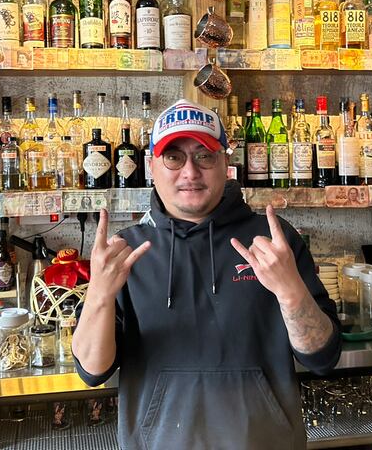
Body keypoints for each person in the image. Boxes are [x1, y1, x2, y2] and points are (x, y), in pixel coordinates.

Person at [72, 99, 341, 449]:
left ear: (225, 163)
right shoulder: (125, 252)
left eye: (204, 156)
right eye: (174, 157)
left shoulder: (273, 242)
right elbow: (92, 371)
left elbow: (322, 358)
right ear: (151, 166)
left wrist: (291, 293)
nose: (190, 172)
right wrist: (99, 294)